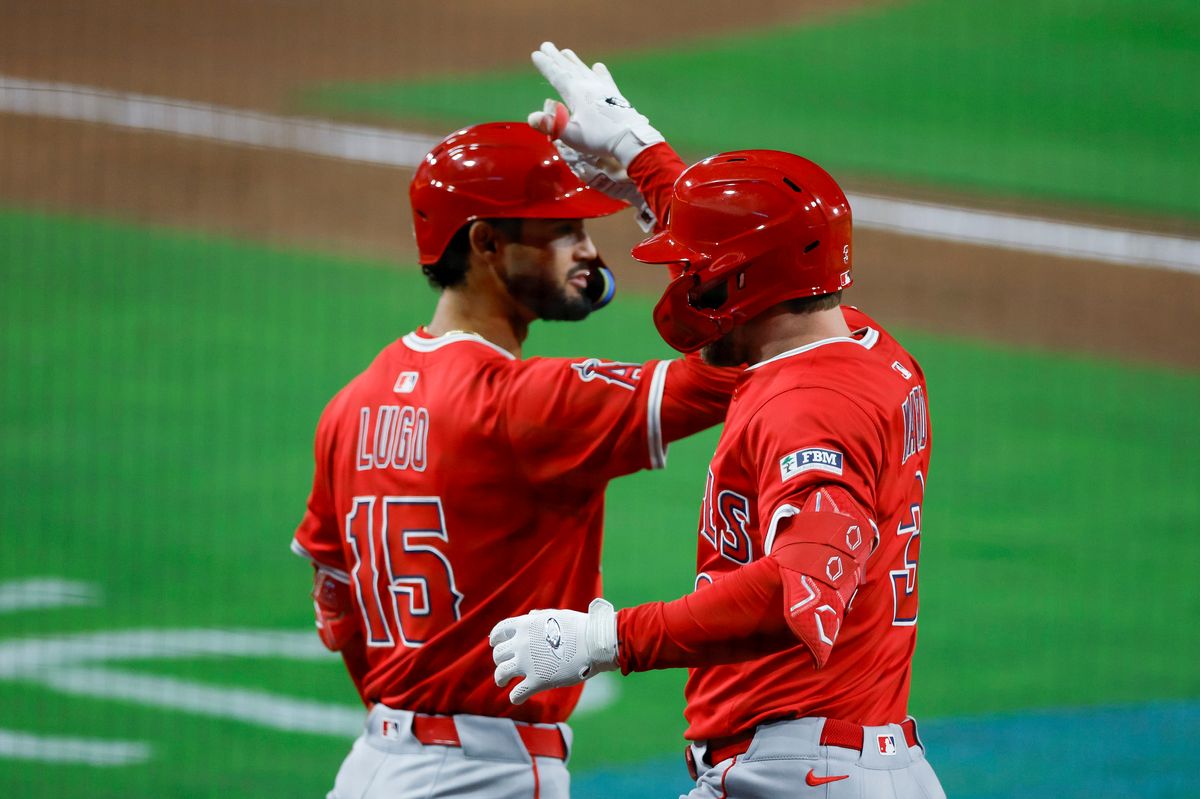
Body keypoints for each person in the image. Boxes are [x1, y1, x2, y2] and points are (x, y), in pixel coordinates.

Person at [489, 44, 946, 798]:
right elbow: (760, 253)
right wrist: (639, 152)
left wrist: (608, 638)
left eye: (691, 263)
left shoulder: (809, 409)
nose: (679, 276)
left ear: (736, 282)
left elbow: (800, 590)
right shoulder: (859, 348)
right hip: (837, 757)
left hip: (801, 772)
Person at [290, 118, 739, 799]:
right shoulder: (528, 403)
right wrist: (660, 195)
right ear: (486, 243)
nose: (588, 252)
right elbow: (739, 367)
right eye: (564, 232)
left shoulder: (351, 405)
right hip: (483, 775)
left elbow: (340, 617)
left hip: (375, 767)